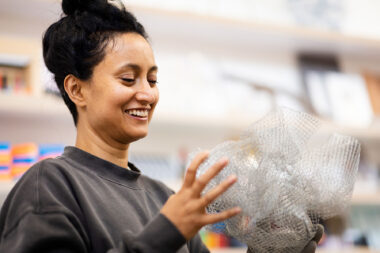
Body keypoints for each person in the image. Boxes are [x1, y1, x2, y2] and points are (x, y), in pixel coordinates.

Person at [0, 0, 323, 252]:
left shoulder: (163, 197)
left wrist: (274, 247)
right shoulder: (51, 185)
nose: (147, 94)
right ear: (76, 89)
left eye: (152, 79)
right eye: (128, 79)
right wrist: (166, 232)